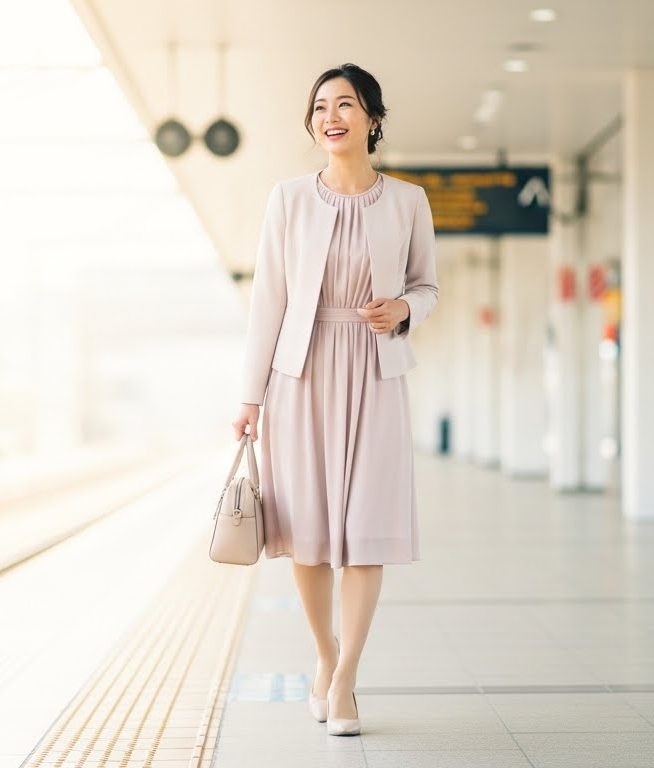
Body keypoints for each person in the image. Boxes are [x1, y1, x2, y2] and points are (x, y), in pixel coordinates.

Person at [230, 62, 439, 737]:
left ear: (372, 119)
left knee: (366, 534)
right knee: (312, 538)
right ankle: (324, 658)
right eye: (320, 106)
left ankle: (346, 679)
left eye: (345, 104)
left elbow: (428, 287)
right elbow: (268, 301)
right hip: (301, 378)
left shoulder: (407, 201)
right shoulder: (287, 199)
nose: (331, 116)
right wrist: (250, 397)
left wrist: (403, 307)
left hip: (375, 375)